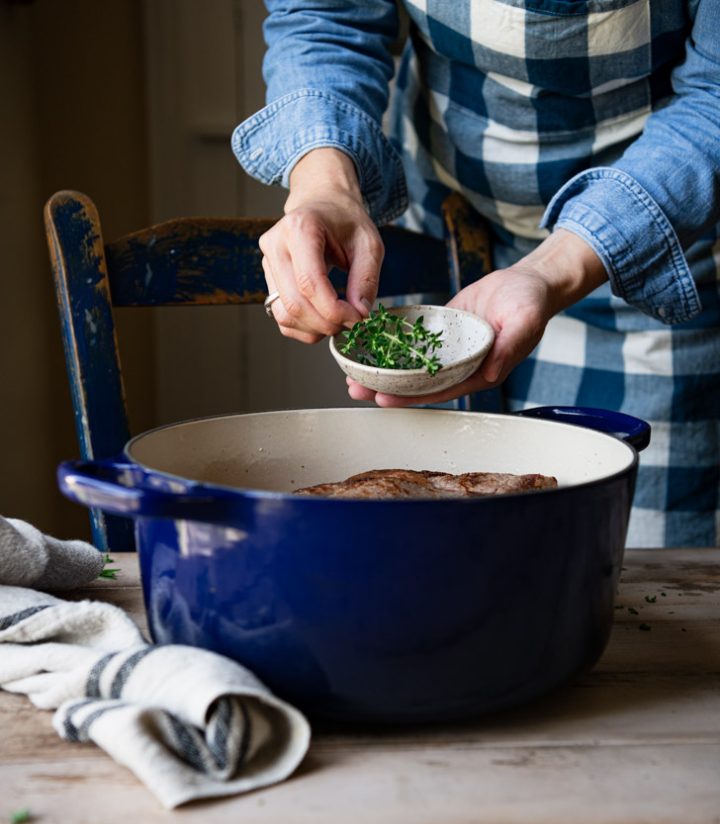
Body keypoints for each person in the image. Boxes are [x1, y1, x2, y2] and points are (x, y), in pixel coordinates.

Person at [232, 0, 720, 548]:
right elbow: (327, 18)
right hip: (446, 225)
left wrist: (552, 268)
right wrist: (325, 186)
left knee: (615, 555)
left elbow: (715, 98)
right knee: (420, 546)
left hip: (648, 254)